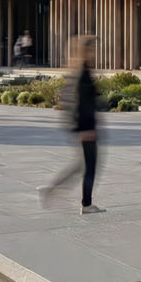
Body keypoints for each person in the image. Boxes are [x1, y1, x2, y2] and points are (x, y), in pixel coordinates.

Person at [38, 35, 104, 214]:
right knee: (88, 166)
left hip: (86, 126)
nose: (95, 54)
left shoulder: (81, 71)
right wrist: (86, 128)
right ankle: (86, 204)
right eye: (93, 50)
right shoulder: (83, 73)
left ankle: (54, 190)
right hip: (86, 127)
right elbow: (81, 104)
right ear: (86, 51)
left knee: (82, 165)